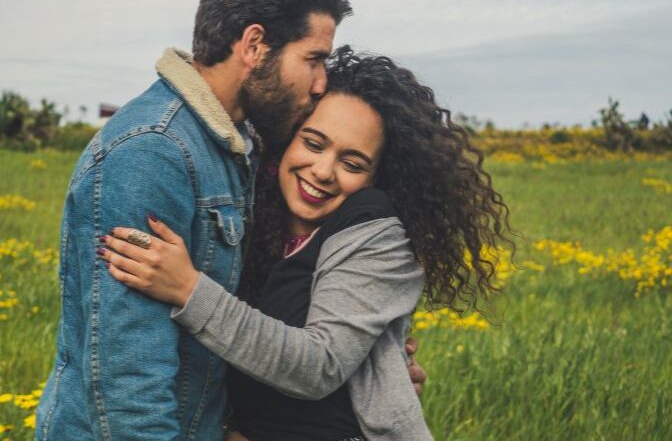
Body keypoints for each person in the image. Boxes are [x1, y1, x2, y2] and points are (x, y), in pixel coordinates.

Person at [34, 0, 425, 441]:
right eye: (314, 59)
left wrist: (374, 373)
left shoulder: (238, 146)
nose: (322, 82)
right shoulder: (153, 153)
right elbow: (127, 383)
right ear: (255, 46)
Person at [99, 47, 513, 440]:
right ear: (286, 142)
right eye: (313, 143)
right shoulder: (252, 220)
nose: (323, 171)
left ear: (376, 178)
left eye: (352, 163)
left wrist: (187, 289)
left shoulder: (378, 232)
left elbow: (317, 366)